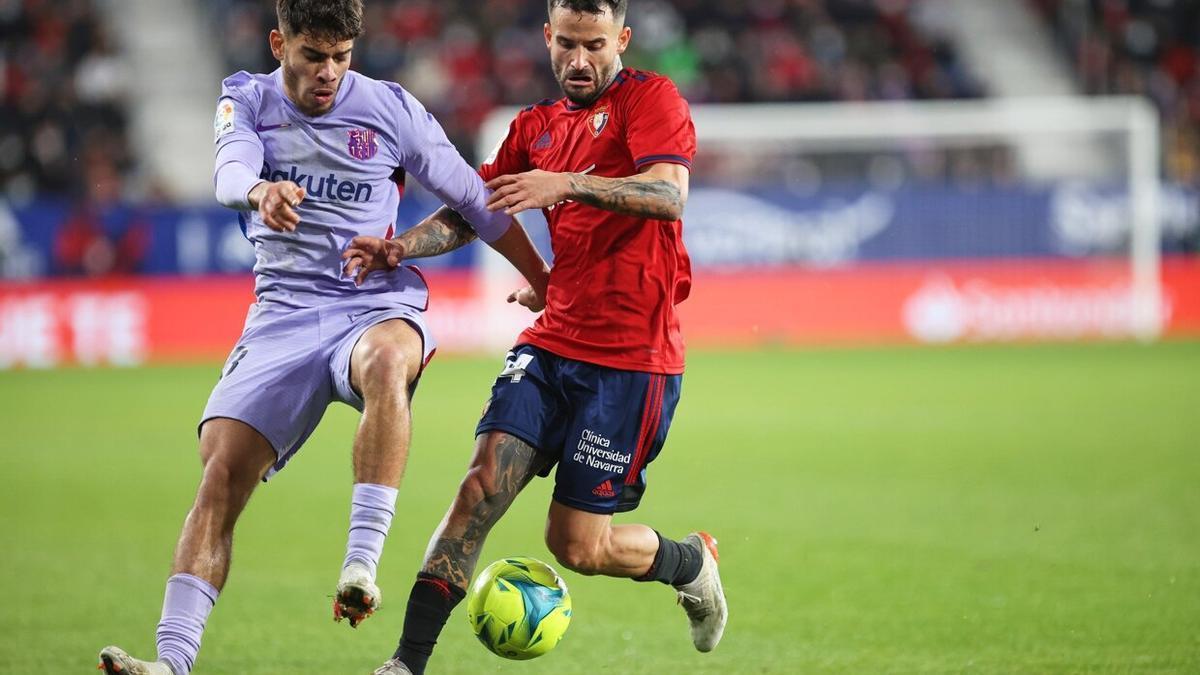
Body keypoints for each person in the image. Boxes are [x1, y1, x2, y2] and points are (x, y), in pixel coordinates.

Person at [97, 1, 549, 674]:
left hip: (373, 300)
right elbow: (226, 174)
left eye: (341, 57)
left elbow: (475, 199)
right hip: (282, 312)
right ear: (280, 43)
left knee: (390, 360)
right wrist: (259, 192)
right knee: (220, 476)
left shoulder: (390, 108)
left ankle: (361, 564)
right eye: (313, 56)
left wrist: (543, 277)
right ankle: (171, 664)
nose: (329, 73)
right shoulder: (244, 99)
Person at [349, 2, 728, 673]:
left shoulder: (653, 100)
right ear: (548, 37)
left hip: (632, 363)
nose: (580, 61)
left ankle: (689, 561)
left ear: (623, 40)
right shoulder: (535, 127)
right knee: (479, 488)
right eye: (568, 45)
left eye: (596, 45)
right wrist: (400, 246)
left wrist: (568, 185)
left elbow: (669, 194)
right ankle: (406, 663)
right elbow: (475, 209)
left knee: (577, 546)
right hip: (552, 345)